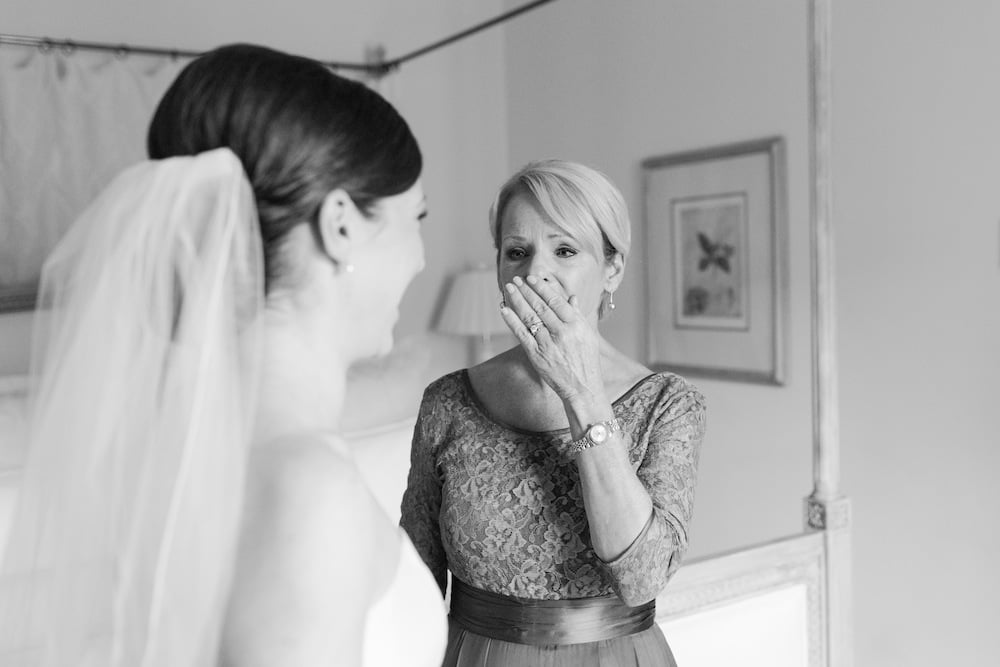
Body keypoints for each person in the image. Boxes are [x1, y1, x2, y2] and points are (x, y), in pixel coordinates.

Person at [0, 44, 446, 666]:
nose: (422, 257)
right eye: (415, 217)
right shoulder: (307, 491)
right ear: (340, 223)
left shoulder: (194, 460)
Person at [401, 160, 706, 666]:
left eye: (564, 250)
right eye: (516, 252)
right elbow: (415, 585)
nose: (534, 271)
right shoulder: (448, 402)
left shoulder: (668, 404)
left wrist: (581, 393)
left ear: (612, 268)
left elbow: (642, 578)